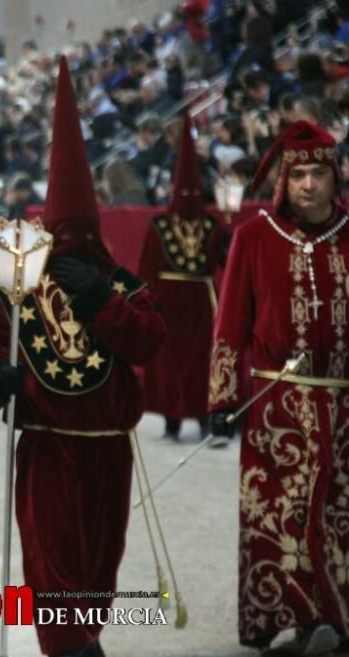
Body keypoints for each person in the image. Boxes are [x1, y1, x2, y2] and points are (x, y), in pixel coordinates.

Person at [0, 58, 166, 657]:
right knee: (52, 564)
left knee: (98, 568)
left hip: (109, 445)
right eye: (65, 230)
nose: (74, 241)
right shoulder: (17, 277)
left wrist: (103, 302)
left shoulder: (120, 283)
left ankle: (83, 638)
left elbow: (151, 342)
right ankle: (69, 650)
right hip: (49, 443)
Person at [207, 120, 349, 657]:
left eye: (318, 173)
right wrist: (222, 398)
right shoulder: (254, 238)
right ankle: (292, 615)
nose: (309, 185)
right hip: (276, 408)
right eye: (299, 176)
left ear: (335, 178)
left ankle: (334, 612)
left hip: (344, 405)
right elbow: (229, 328)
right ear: (283, 182)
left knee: (339, 514)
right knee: (279, 516)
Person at [139, 112, 222, 441]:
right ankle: (197, 417)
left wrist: (145, 301)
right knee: (195, 358)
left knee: (180, 358)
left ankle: (183, 419)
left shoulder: (159, 226)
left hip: (174, 300)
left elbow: (146, 271)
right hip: (197, 299)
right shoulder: (213, 226)